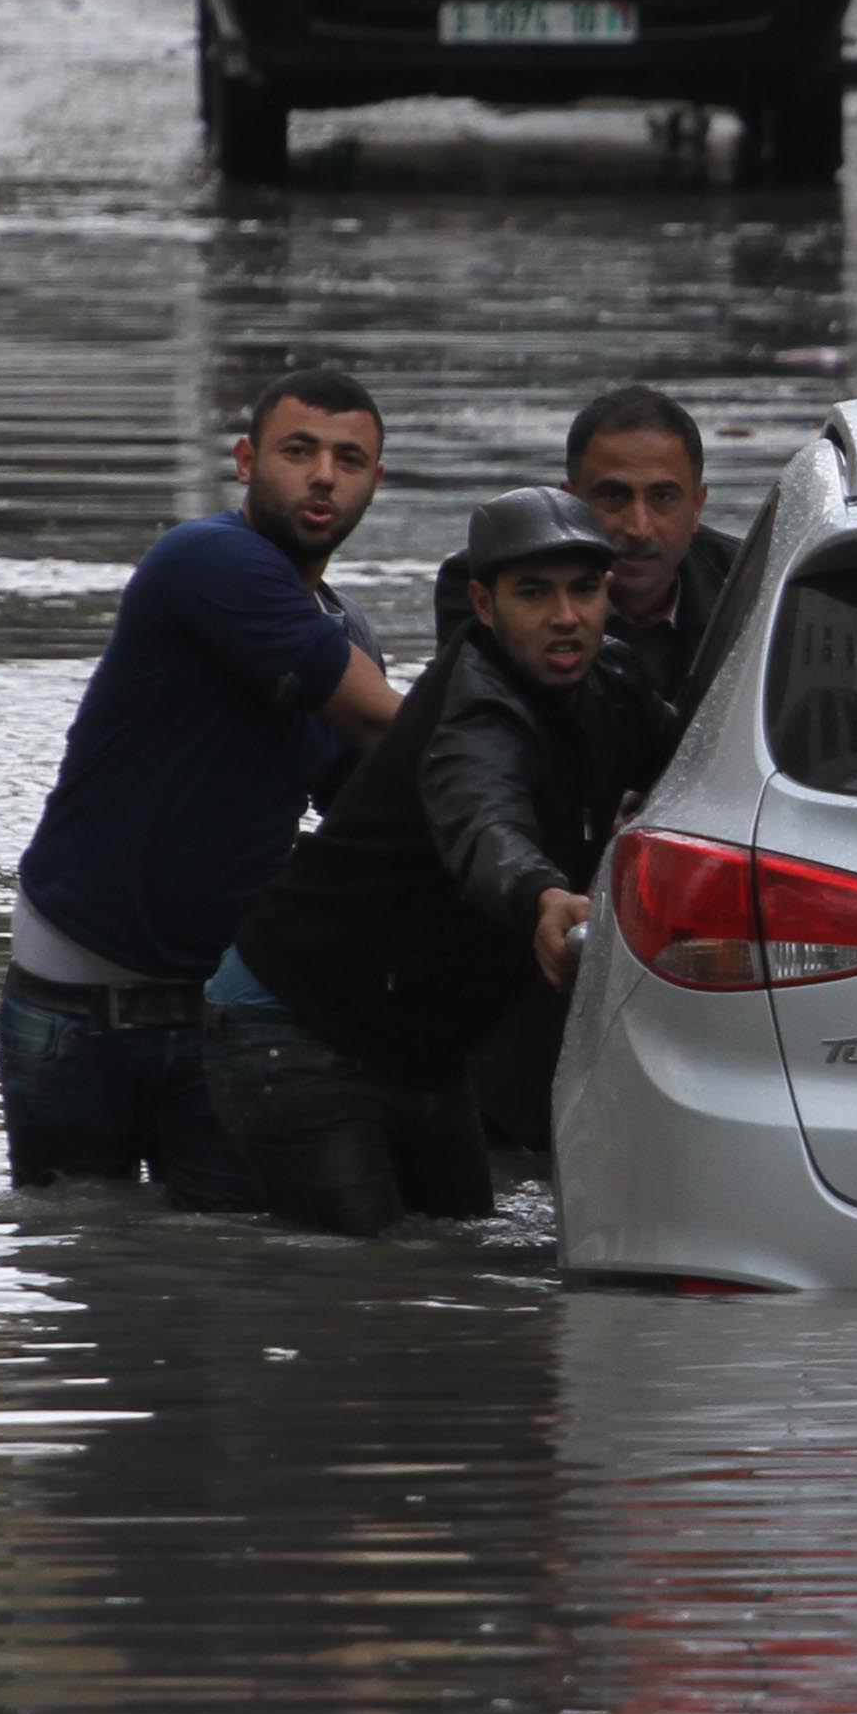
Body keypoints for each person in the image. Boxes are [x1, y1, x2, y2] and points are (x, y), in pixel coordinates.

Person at [209, 489, 681, 1238]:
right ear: (483, 605)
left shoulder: (613, 682)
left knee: (457, 1265)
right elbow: (483, 825)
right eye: (535, 593)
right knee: (362, 1288)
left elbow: (697, 762)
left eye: (584, 590)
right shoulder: (473, 714)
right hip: (294, 1030)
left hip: (423, 1050)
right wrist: (542, 898)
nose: (566, 617)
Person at [0, 369, 401, 1202]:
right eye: (299, 451)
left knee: (217, 1281)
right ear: (246, 460)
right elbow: (389, 732)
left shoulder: (344, 632)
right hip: (79, 1007)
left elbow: (368, 807)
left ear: (375, 482)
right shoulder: (207, 557)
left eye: (349, 458)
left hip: (222, 1019)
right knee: (79, 1271)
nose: (323, 475)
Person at [425, 383, 743, 694]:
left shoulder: (752, 584)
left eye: (662, 497)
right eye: (613, 496)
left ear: (697, 506)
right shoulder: (495, 580)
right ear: (571, 504)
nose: (639, 528)